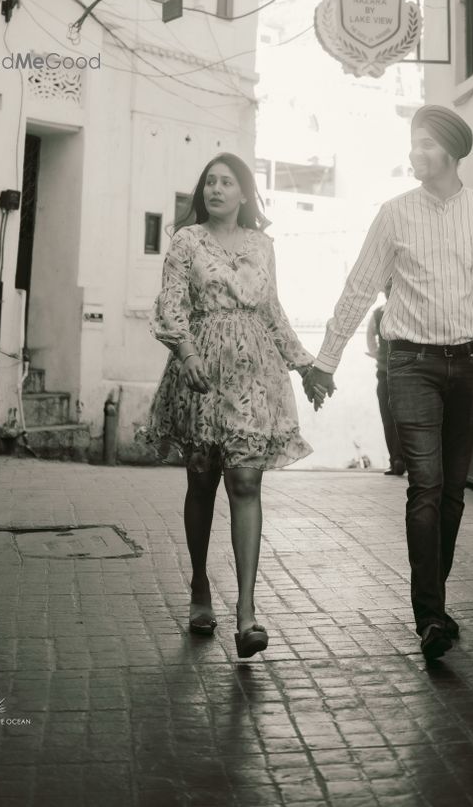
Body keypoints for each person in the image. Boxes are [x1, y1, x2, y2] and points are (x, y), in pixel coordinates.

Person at [305, 106, 473, 662]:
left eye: (427, 145)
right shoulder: (394, 215)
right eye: (413, 144)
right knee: (425, 484)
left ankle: (436, 600)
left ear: (452, 153)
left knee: (452, 491)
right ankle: (429, 616)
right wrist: (326, 360)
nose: (416, 154)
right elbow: (360, 287)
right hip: (411, 364)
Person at [141, 152, 323, 655]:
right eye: (210, 182)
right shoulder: (186, 241)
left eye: (226, 182)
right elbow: (171, 304)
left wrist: (305, 366)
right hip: (200, 372)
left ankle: (246, 613)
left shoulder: (262, 245)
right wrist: (187, 350)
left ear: (245, 194)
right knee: (202, 479)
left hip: (253, 374)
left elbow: (272, 311)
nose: (216, 189)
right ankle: (200, 585)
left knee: (246, 480)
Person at [366, 302, 405, 475]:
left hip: (407, 372)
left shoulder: (408, 307)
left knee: (405, 417)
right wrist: (377, 354)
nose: (390, 289)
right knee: (388, 417)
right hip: (385, 372)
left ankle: (403, 460)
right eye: (387, 286)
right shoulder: (377, 314)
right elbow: (369, 336)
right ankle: (395, 459)